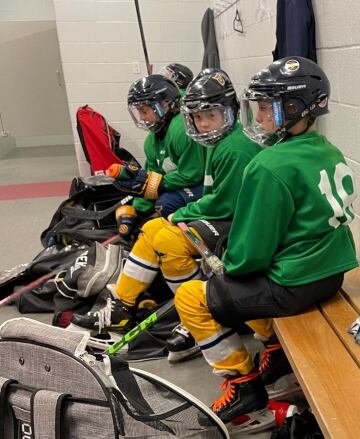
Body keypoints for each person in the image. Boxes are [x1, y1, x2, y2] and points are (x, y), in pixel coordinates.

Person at [174, 56, 358, 423]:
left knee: (193, 297)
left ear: (293, 109)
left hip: (296, 284)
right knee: (236, 282)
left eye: (264, 109)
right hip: (331, 275)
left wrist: (222, 255)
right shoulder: (329, 150)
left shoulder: (268, 166)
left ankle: (243, 383)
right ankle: (274, 347)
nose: (257, 119)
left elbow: (246, 260)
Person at [71, 71, 259, 365]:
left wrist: (180, 213)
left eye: (211, 114)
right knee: (154, 229)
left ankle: (201, 311)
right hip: (225, 217)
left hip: (242, 227)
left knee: (168, 235)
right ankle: (123, 306)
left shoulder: (233, 148)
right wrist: (137, 205)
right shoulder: (216, 141)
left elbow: (223, 204)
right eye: (197, 117)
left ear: (231, 110)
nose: (203, 123)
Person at [112, 74, 206, 240]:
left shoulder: (182, 130)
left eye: (145, 111)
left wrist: (159, 183)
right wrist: (137, 211)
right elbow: (151, 178)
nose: (141, 117)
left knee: (166, 203)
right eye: (139, 112)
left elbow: (193, 174)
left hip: (205, 182)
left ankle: (189, 239)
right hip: (185, 182)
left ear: (165, 104)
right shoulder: (151, 141)